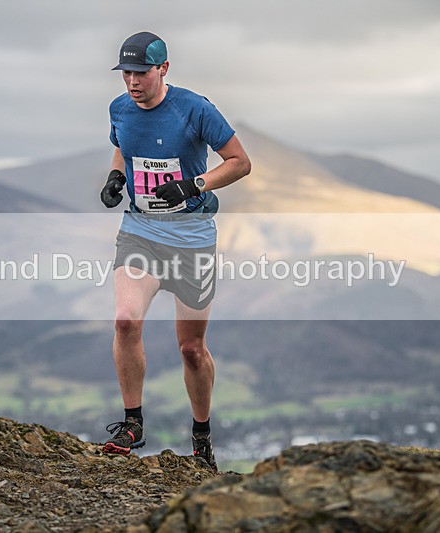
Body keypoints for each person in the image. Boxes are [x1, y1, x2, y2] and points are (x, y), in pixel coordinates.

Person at [99, 31, 251, 471]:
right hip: (140, 232)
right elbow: (120, 149)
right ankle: (133, 424)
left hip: (191, 238)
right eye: (126, 73)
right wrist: (116, 180)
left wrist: (194, 183)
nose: (132, 82)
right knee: (126, 321)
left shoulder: (194, 108)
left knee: (191, 349)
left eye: (140, 73)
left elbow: (240, 162)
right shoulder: (120, 109)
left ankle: (201, 435)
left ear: (162, 69)